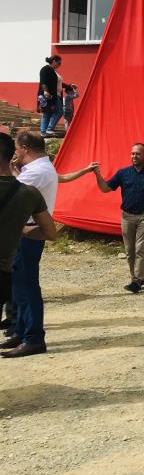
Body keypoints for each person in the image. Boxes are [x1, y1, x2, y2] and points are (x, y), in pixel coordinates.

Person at [0, 132, 58, 358]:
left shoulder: (36, 172)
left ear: (25, 148)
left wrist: (11, 170)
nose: (15, 153)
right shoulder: (39, 169)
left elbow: (12, 191)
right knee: (20, 287)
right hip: (27, 230)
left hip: (26, 232)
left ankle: (32, 337)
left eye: (17, 148)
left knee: (26, 287)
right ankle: (22, 331)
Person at [92, 143, 144, 293]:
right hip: (127, 216)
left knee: (140, 249)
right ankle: (136, 279)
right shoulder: (123, 173)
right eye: (132, 153)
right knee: (129, 251)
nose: (134, 156)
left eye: (138, 153)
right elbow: (105, 188)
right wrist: (98, 176)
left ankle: (137, 280)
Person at [38, 55, 71, 137]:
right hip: (49, 95)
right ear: (54, 61)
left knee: (48, 113)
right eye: (59, 63)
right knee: (59, 111)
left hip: (54, 96)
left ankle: (43, 132)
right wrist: (45, 90)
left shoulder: (53, 71)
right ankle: (49, 129)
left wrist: (69, 86)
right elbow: (43, 81)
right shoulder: (46, 69)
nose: (59, 65)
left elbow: (58, 84)